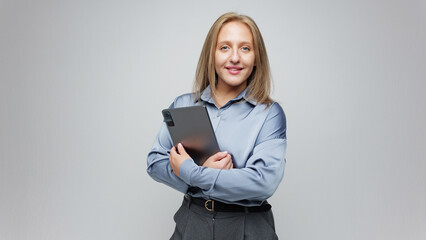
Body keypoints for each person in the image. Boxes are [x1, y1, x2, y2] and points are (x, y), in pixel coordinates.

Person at [147, 12, 287, 240]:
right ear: (211, 55)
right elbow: (155, 162)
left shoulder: (269, 114)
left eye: (245, 48)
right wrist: (206, 175)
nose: (234, 58)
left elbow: (263, 182)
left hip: (247, 227)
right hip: (192, 223)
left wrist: (191, 171)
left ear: (256, 58)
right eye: (224, 47)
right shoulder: (183, 105)